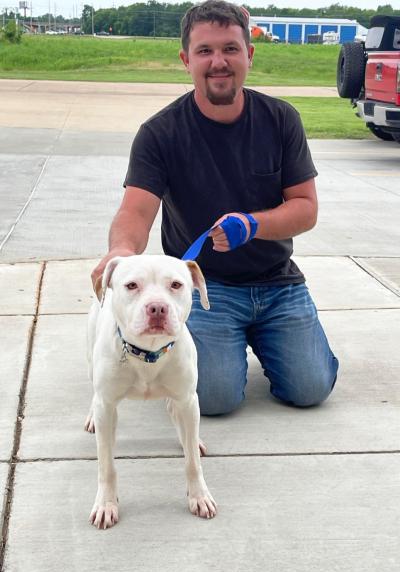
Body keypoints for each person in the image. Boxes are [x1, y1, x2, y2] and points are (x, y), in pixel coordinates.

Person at [91, 0, 338, 415]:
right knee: (217, 399)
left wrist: (252, 224)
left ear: (249, 55)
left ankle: (272, 340)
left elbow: (305, 209)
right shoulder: (160, 133)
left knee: (310, 389)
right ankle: (228, 343)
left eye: (230, 49)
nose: (218, 62)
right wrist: (121, 251)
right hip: (209, 288)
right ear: (186, 59)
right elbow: (135, 211)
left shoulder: (281, 119)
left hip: (278, 283)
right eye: (205, 51)